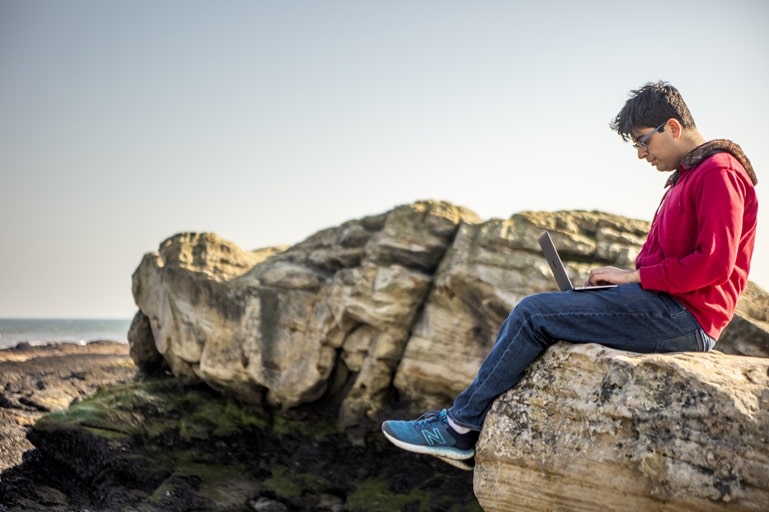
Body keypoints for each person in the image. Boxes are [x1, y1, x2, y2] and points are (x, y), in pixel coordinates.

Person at [381, 81, 759, 471]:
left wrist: (633, 280)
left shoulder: (718, 172)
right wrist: (621, 281)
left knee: (533, 313)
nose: (641, 154)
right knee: (546, 311)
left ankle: (459, 428)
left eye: (644, 142)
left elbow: (713, 265)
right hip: (666, 306)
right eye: (636, 146)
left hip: (685, 319)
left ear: (673, 127)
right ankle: (463, 422)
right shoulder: (688, 175)